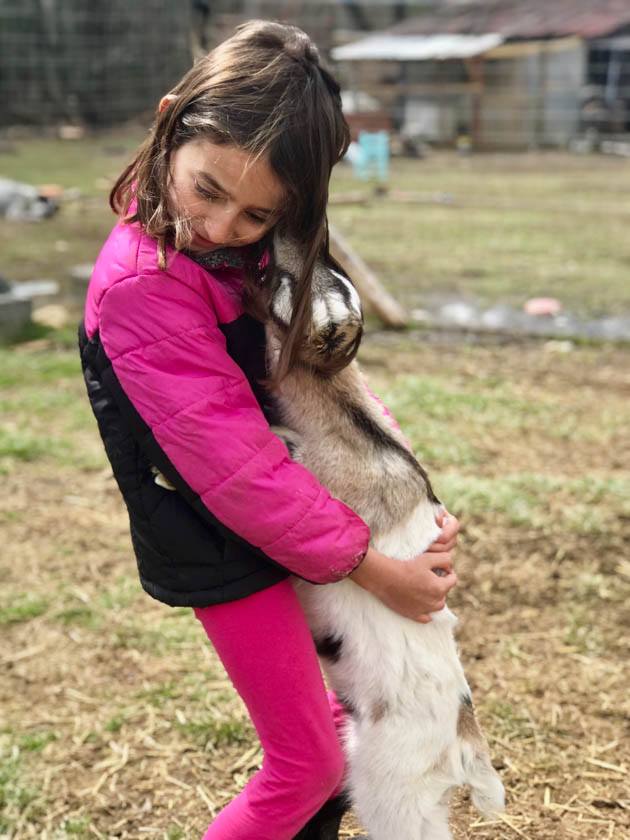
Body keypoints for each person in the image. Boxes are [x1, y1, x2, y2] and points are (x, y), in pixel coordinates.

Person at [78, 20, 459, 840]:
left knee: (330, 732)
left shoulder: (250, 258)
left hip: (286, 528)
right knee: (309, 764)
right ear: (170, 121)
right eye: (207, 189)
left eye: (254, 215)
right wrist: (371, 566)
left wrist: (410, 508)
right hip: (217, 538)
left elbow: (327, 392)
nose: (218, 227)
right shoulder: (144, 287)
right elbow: (239, 471)